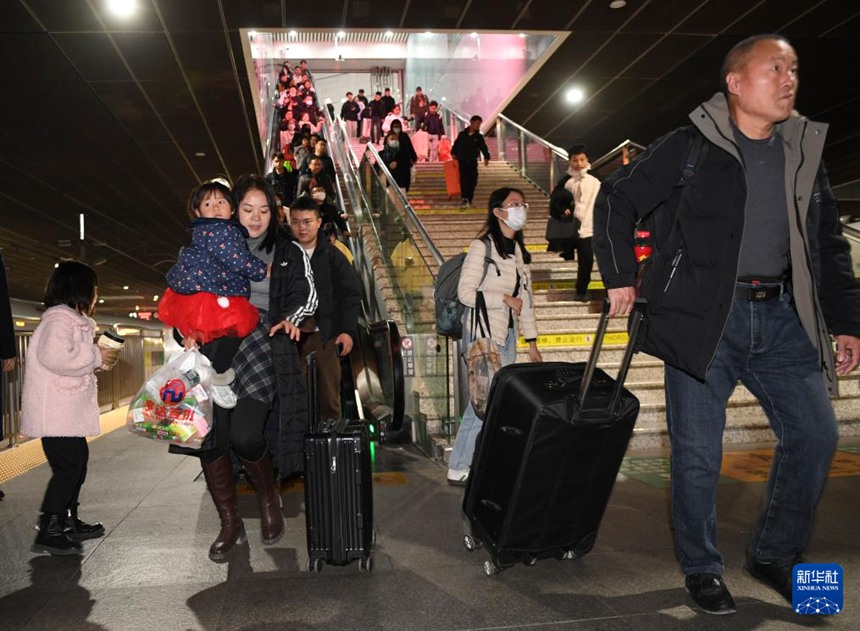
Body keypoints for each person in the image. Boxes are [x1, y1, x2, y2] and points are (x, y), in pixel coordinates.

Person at [592, 34, 860, 615]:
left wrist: (846, 321)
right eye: (774, 68)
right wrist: (619, 276)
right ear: (736, 82)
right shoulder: (689, 145)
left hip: (785, 318)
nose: (789, 79)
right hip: (705, 320)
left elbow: (828, 245)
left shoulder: (802, 151)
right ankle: (703, 566)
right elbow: (614, 198)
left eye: (794, 68)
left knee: (817, 437)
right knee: (696, 454)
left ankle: (775, 554)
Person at [193, 175, 316, 562]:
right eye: (247, 209)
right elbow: (185, 294)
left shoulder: (286, 250)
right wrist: (188, 329)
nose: (256, 217)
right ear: (233, 211)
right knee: (211, 440)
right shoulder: (210, 246)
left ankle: (268, 497)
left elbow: (307, 294)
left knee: (246, 435)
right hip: (216, 345)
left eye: (264, 210)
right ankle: (230, 524)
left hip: (262, 340)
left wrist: (292, 317)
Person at [21, 261, 119, 555]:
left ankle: (67, 521)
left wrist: (97, 359)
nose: (96, 294)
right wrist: (95, 354)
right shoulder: (58, 320)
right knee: (69, 468)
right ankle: (49, 529)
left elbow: (72, 361)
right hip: (55, 412)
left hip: (68, 411)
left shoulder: (70, 320)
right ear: (81, 288)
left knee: (77, 464)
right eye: (94, 288)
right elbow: (56, 358)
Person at [446, 187, 542, 485]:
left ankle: (485, 462)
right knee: (483, 403)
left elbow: (525, 301)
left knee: (495, 403)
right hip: (483, 335)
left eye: (522, 204)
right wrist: (501, 298)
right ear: (498, 211)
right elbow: (465, 293)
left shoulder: (518, 255)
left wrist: (533, 342)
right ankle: (459, 464)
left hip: (508, 337)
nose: (520, 209)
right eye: (513, 204)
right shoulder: (482, 247)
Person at [288, 196, 362, 421]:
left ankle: (330, 452)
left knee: (328, 399)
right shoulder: (283, 255)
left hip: (325, 336)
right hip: (290, 338)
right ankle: (296, 452)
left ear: (319, 222)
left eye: (307, 221)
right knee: (293, 400)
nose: (302, 227)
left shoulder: (332, 256)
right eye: (296, 222)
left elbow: (351, 294)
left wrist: (347, 331)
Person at [546, 144, 599, 301]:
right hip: (571, 226)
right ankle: (581, 289)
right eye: (575, 160)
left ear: (587, 159)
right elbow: (555, 201)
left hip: (591, 227)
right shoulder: (566, 181)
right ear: (569, 161)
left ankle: (582, 290)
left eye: (582, 159)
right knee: (581, 258)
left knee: (587, 260)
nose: (578, 163)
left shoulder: (596, 178)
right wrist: (562, 208)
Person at [451, 115, 490, 208]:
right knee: (464, 180)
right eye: (477, 123)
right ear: (471, 122)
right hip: (462, 160)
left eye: (479, 124)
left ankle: (469, 198)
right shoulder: (462, 134)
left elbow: (483, 147)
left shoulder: (478, 136)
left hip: (472, 161)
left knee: (473, 180)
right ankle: (465, 198)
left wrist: (486, 157)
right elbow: (456, 144)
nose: (478, 126)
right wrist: (453, 153)